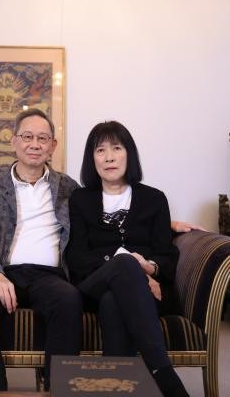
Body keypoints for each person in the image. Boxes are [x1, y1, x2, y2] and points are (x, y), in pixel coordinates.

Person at [0, 108, 83, 391]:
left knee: (69, 299)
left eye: (42, 138)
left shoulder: (68, 188)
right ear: (14, 141)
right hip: (1, 273)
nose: (35, 144)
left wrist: (166, 224)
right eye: (27, 137)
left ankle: (56, 390)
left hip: (48, 277)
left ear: (52, 146)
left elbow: (100, 216)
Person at [65, 120, 190, 397]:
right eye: (100, 150)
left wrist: (150, 268)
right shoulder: (80, 200)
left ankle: (115, 390)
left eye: (117, 148)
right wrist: (132, 266)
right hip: (93, 286)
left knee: (114, 302)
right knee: (123, 264)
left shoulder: (154, 199)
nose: (109, 157)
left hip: (145, 292)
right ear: (92, 159)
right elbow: (77, 257)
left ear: (129, 154)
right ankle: (163, 372)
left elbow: (167, 256)